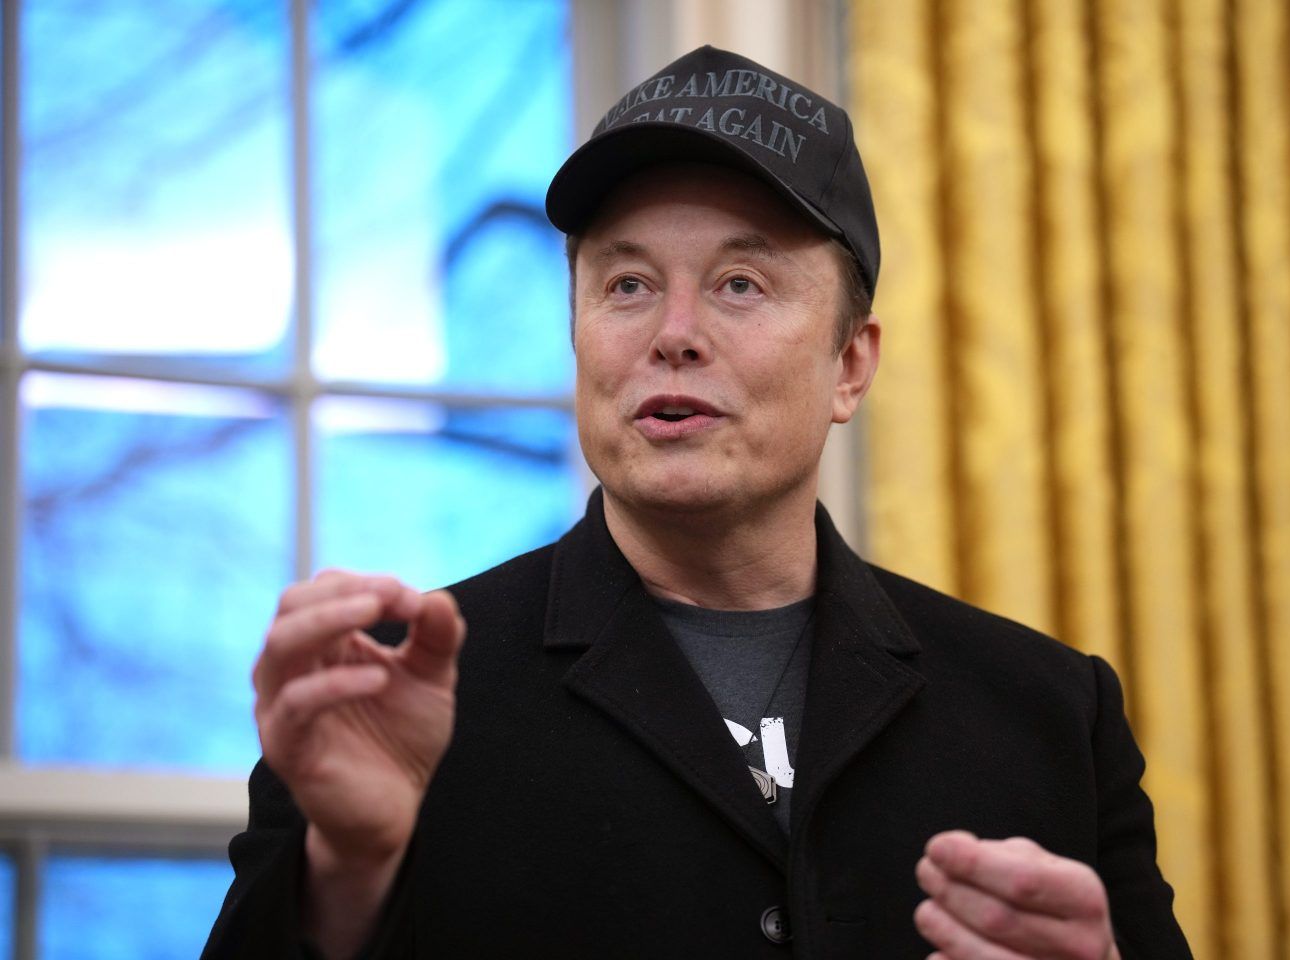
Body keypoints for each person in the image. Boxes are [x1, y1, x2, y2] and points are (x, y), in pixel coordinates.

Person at [202, 45, 1191, 959]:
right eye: (627, 284)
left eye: (741, 285)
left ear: (851, 365)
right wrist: (350, 873)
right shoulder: (390, 703)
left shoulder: (1053, 715)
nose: (673, 333)